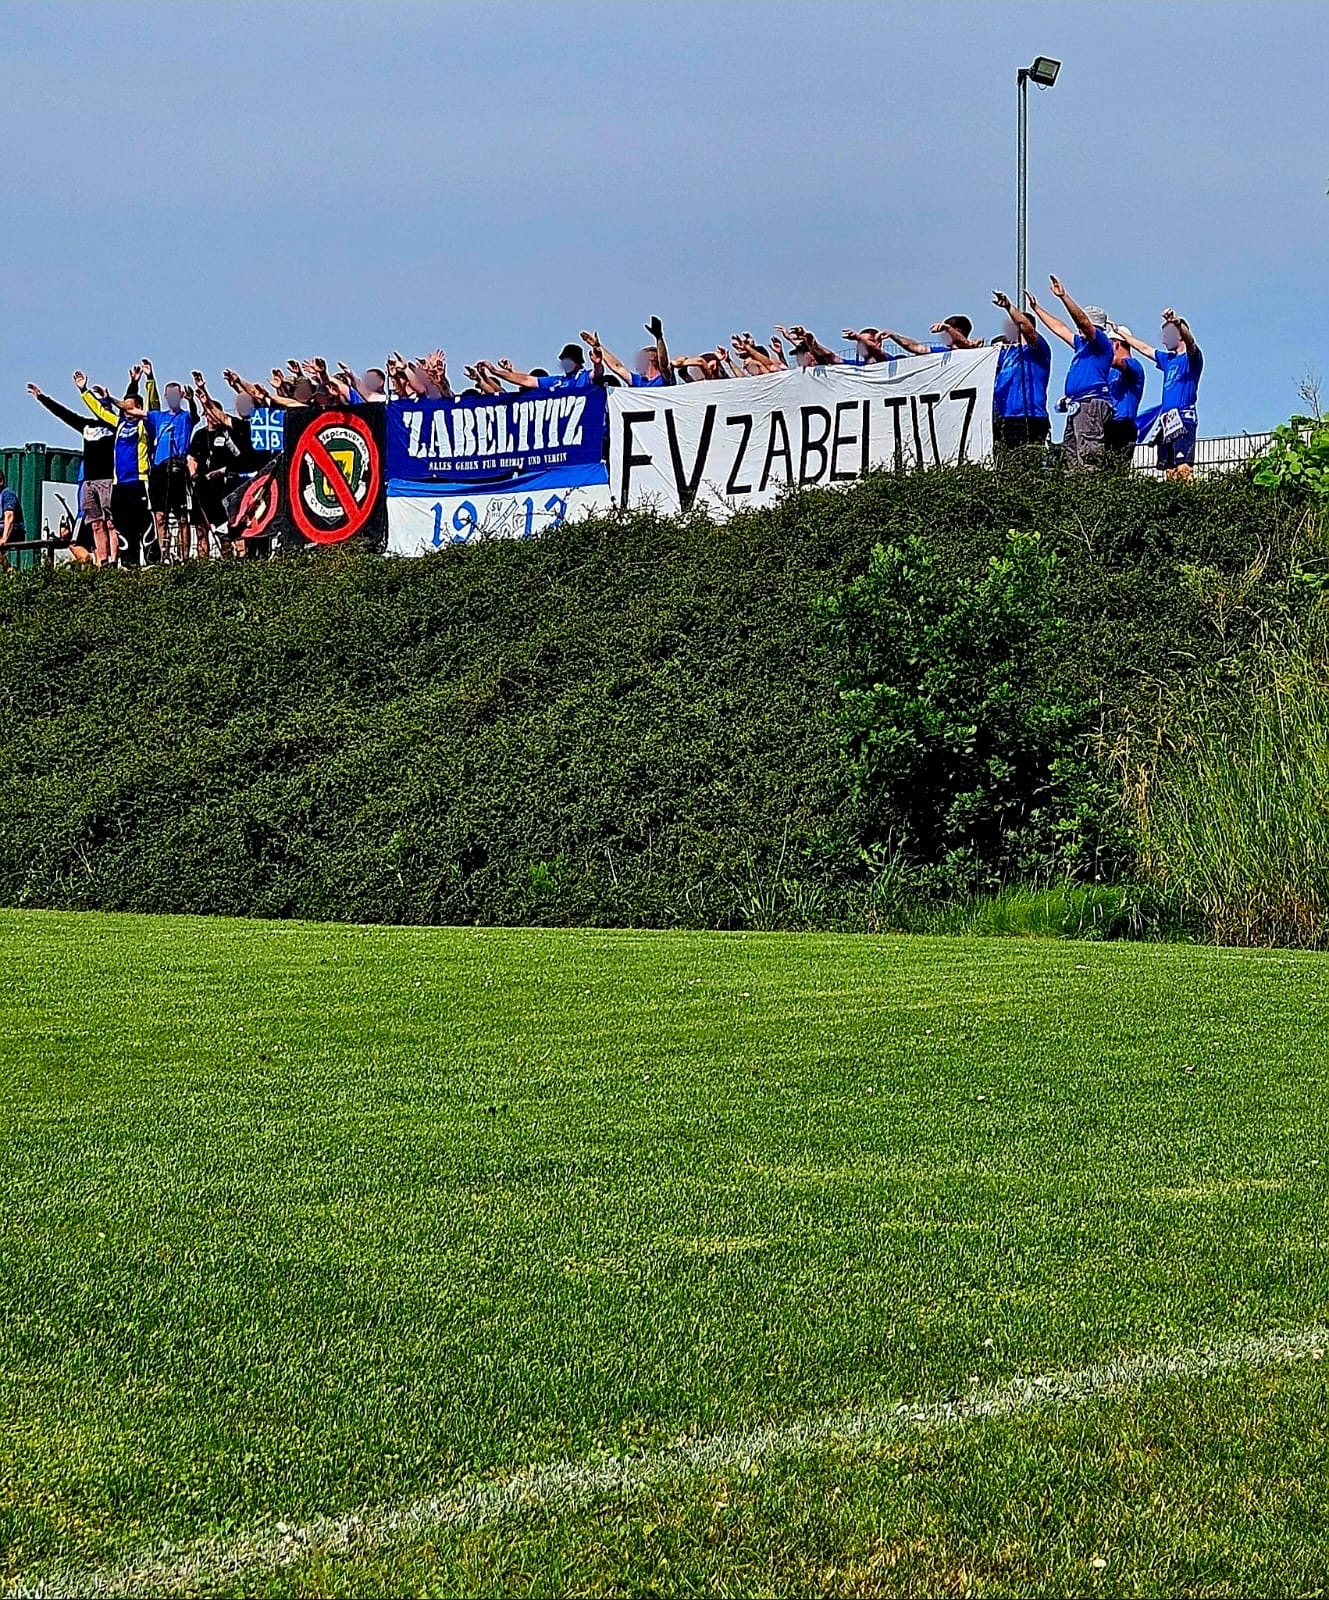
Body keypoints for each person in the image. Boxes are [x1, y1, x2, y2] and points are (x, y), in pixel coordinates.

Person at [27, 376, 117, 565]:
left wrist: (99, 394)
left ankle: (113, 558)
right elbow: (64, 414)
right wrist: (42, 397)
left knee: (111, 522)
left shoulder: (116, 426)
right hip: (88, 481)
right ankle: (102, 561)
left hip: (107, 479)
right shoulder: (87, 426)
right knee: (96, 523)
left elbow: (129, 410)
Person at [1028, 275, 1115, 469]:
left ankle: (1090, 490)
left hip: (1091, 403)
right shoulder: (1081, 344)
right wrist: (1037, 309)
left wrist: (1063, 297)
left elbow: (1083, 322)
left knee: (1089, 454)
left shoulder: (1101, 343)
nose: (1078, 328)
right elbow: (1060, 328)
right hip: (1078, 403)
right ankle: (1076, 491)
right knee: (1071, 453)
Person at [81, 366, 158, 564]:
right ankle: (128, 563)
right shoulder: (119, 424)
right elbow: (99, 411)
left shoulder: (146, 425)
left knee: (145, 522)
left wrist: (149, 379)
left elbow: (154, 406)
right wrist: (84, 390)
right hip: (119, 484)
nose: (125, 409)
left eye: (129, 406)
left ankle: (152, 562)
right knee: (123, 525)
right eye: (124, 407)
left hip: (139, 482)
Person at [1115, 311, 1203, 480]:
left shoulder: (1192, 359)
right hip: (1167, 421)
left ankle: (1191, 501)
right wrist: (1121, 333)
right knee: (1169, 470)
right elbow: (1145, 349)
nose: (1164, 340)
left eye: (1167, 335)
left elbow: (1191, 343)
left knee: (1183, 467)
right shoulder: (1168, 359)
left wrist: (1177, 323)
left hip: (1183, 418)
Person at [142, 359, 200, 560]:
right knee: (160, 515)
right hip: (159, 469)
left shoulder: (186, 417)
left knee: (182, 516)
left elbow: (195, 416)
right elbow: (133, 410)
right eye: (171, 394)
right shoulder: (158, 416)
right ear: (166, 396)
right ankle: (164, 554)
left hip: (178, 468)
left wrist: (192, 400)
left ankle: (184, 557)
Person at [989, 290, 1052, 452]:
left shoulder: (1037, 349)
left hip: (1031, 415)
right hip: (1005, 416)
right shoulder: (1006, 353)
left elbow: (1028, 329)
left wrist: (1009, 307)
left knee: (1028, 461)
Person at [582, 318, 674, 387]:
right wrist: (598, 346)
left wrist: (659, 338)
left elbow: (663, 364)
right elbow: (617, 367)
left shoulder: (664, 378)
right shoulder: (637, 381)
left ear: (652, 358)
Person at [1104, 328, 1145, 466]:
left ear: (1115, 344)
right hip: (1106, 424)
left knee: (1118, 468)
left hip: (1123, 426)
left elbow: (1121, 363)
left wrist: (1098, 355)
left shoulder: (1134, 365)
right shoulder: (1109, 372)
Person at [488, 343, 594, 394]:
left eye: (569, 360)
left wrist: (598, 363)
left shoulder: (585, 377)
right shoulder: (557, 381)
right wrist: (495, 371)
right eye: (563, 360)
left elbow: (597, 373)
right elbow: (527, 380)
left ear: (578, 362)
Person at [881, 315, 981, 355]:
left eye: (946, 331)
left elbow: (965, 344)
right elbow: (914, 346)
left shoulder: (974, 351)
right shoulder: (941, 352)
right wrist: (893, 335)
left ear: (958, 330)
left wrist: (948, 328)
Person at [0, 468, 26, 574]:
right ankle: (9, 570)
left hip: (14, 531)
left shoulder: (7, 494)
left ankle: (9, 570)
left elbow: (9, 516)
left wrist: (4, 538)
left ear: (0, 481)